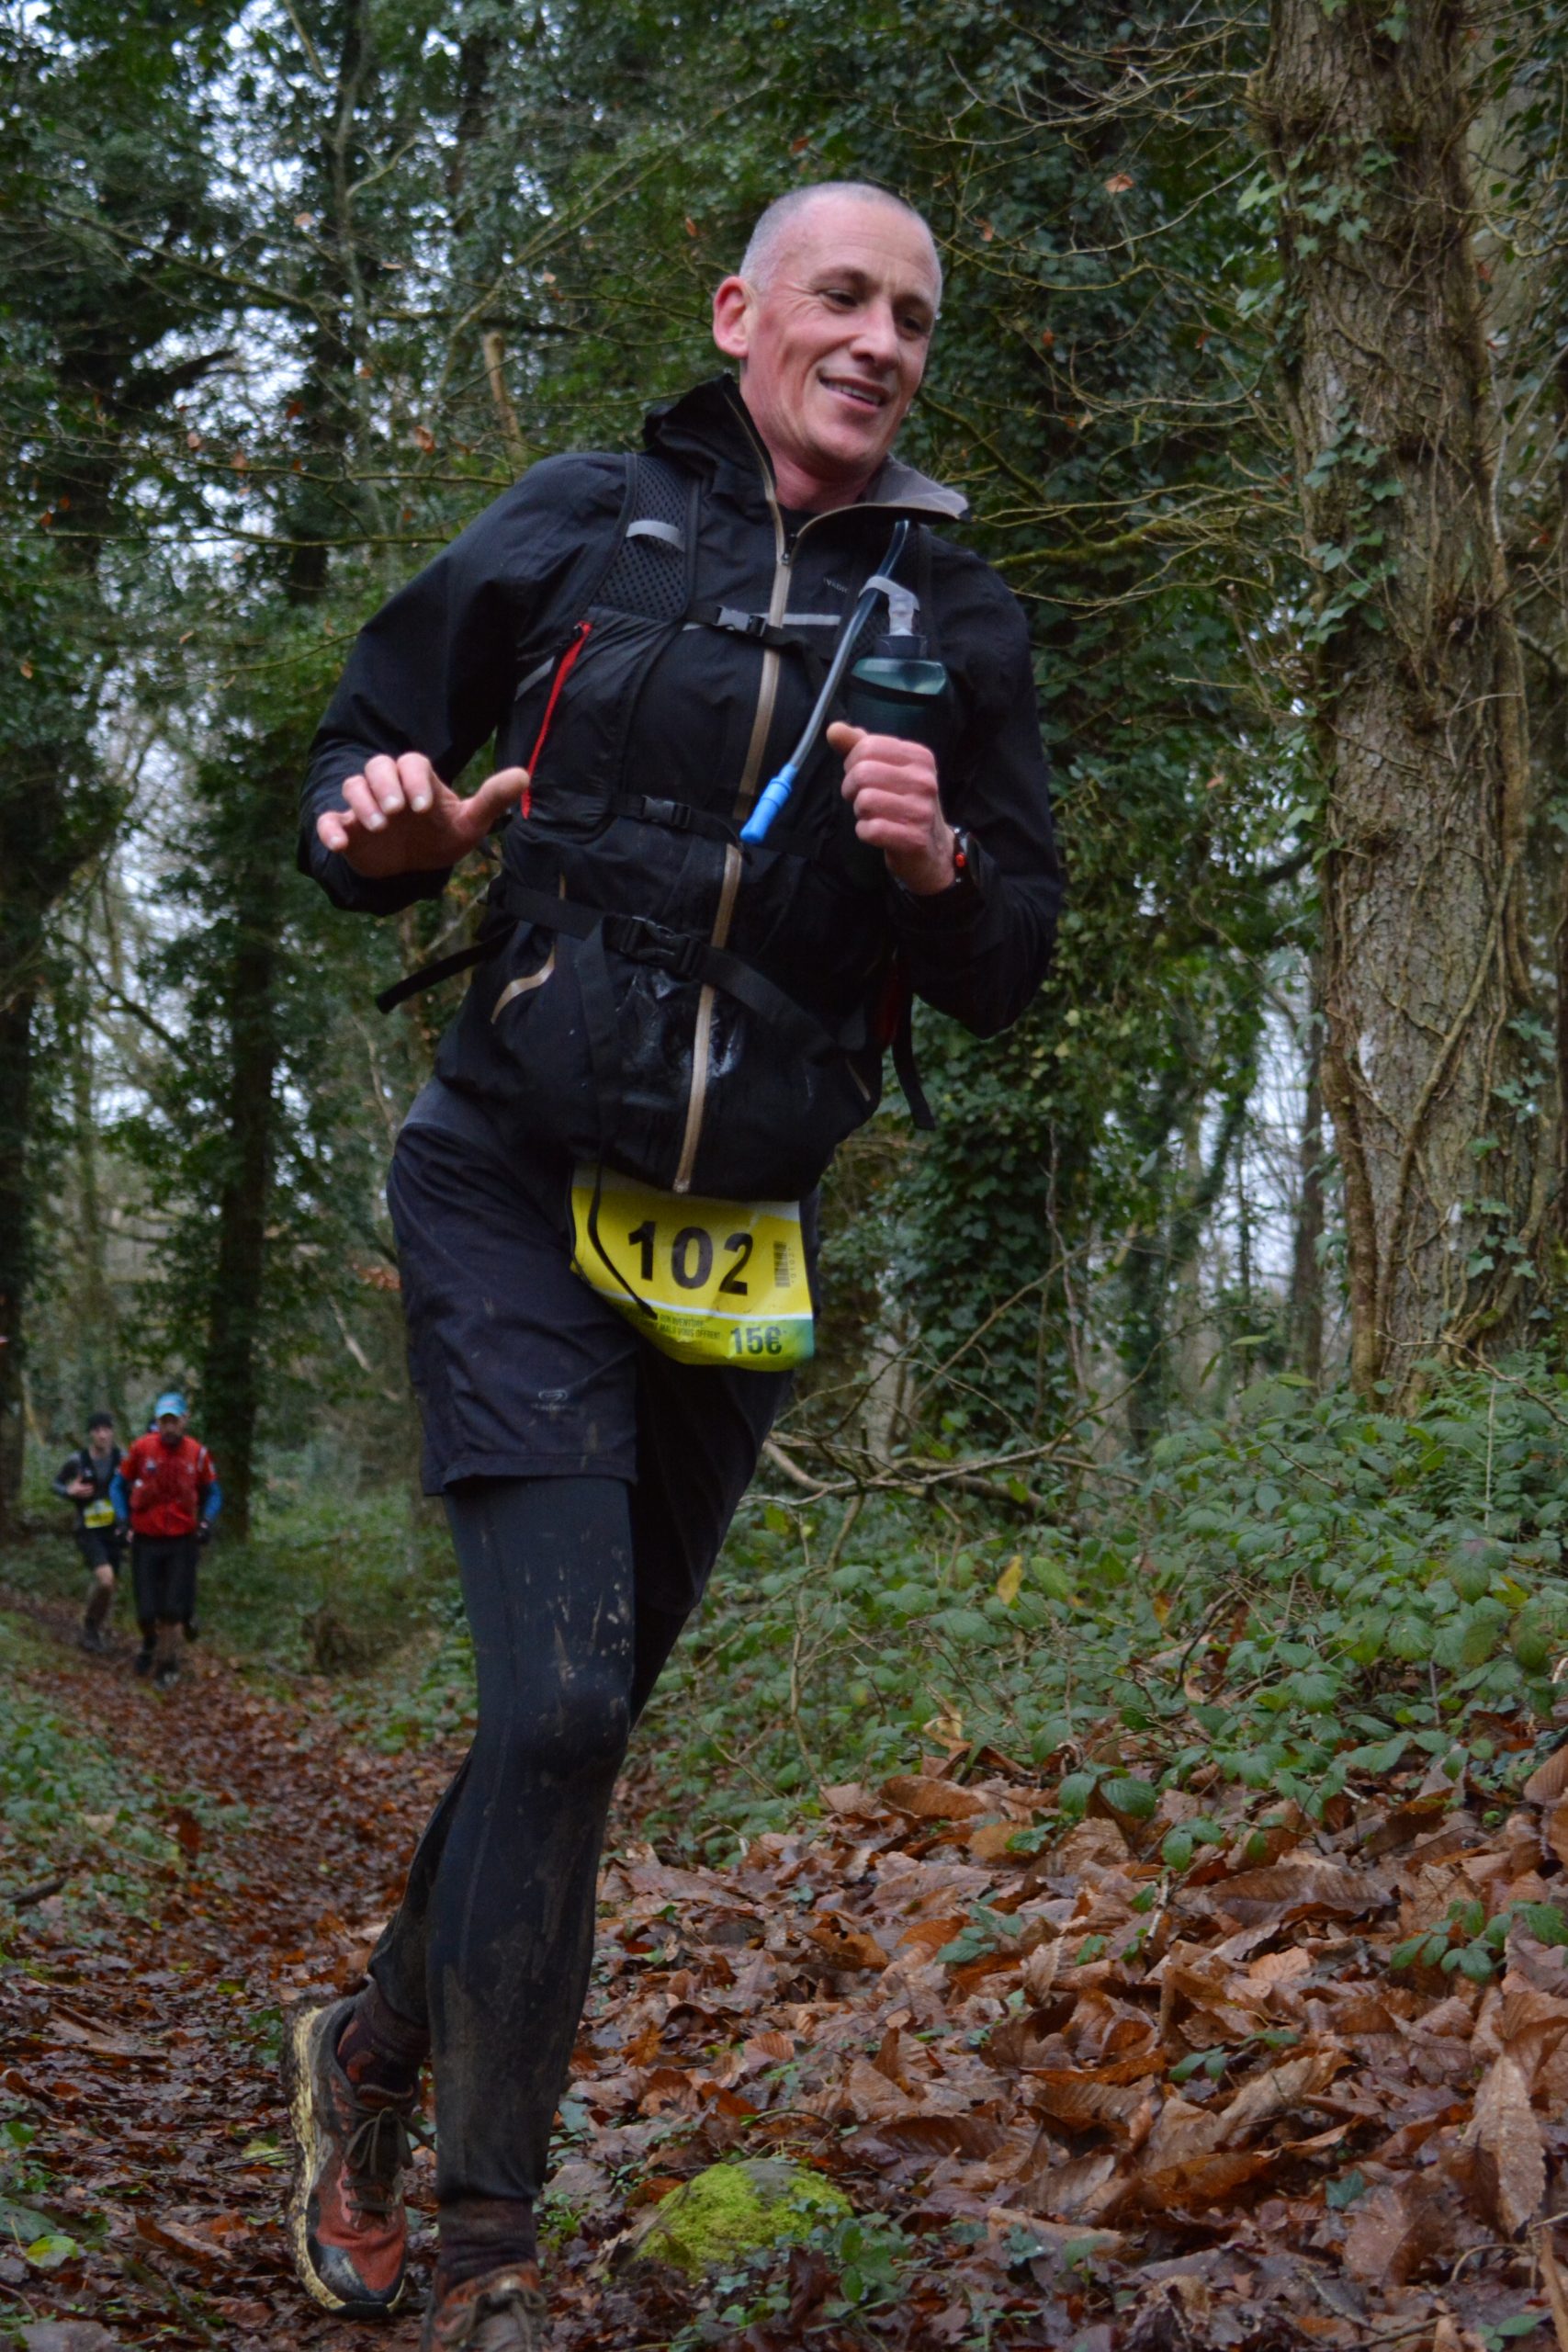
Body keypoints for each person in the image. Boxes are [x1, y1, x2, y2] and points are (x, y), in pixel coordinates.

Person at [287, 182, 1063, 2351]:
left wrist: (936, 868)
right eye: (842, 296)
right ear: (740, 312)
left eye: (913, 316)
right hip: (512, 1174)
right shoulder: (579, 518)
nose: (880, 340)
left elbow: (1012, 952)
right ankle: (486, 2244)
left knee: (580, 1705)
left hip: (737, 1237)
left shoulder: (956, 614)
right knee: (554, 1697)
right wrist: (394, 830)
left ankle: (371, 2038)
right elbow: (356, 761)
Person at [112, 1390, 221, 1688]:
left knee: (172, 1610)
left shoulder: (197, 1453)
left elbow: (214, 1492)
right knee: (146, 1611)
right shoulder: (141, 1449)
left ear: (184, 1420)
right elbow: (117, 1485)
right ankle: (150, 1641)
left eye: (174, 1421)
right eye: (164, 1421)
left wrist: (207, 1522)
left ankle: (168, 1665)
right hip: (146, 1539)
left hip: (181, 1540)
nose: (169, 1427)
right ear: (157, 1422)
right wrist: (122, 1519)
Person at [52, 1411, 123, 1650]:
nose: (102, 1435)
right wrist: (68, 1491)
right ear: (91, 1434)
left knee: (109, 1585)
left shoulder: (122, 1459)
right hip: (88, 1530)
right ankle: (90, 1627)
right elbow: (56, 1483)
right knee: (106, 1580)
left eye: (106, 1430)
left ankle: (93, 1628)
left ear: (112, 1432)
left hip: (114, 1531)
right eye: (97, 1430)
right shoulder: (78, 1460)